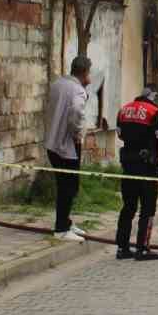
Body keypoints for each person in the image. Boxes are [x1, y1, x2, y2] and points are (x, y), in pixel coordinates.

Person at [114, 84, 158, 261]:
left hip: (128, 165)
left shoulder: (124, 110)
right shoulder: (153, 112)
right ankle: (142, 248)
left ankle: (122, 248)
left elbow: (120, 134)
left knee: (128, 207)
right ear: (154, 96)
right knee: (147, 208)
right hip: (147, 166)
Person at [45, 55, 92, 243]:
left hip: (52, 143)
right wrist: (77, 133)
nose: (90, 78)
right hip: (67, 147)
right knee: (69, 187)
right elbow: (76, 113)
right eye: (89, 73)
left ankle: (66, 221)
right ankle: (61, 229)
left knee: (64, 185)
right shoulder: (78, 90)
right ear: (84, 72)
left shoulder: (58, 84)